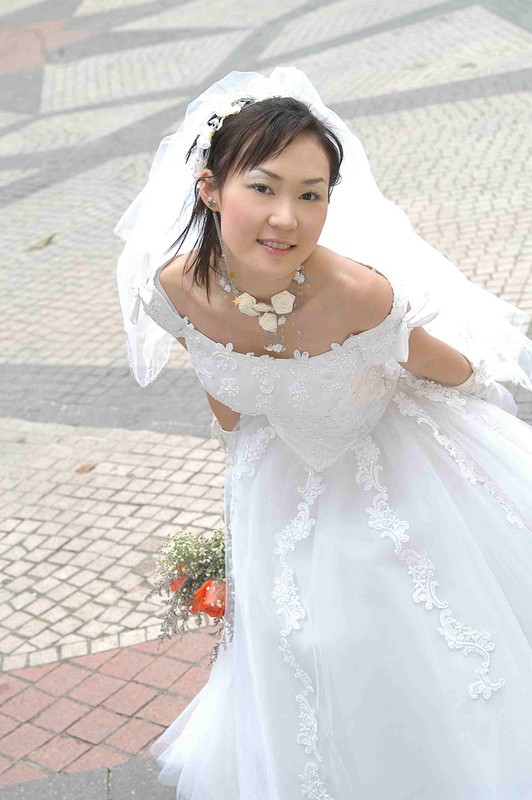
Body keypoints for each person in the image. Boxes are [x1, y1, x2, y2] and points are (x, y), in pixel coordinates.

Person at [115, 67, 532, 799]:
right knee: (293, 645)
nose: (287, 218)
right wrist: (244, 480)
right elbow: (222, 393)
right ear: (210, 188)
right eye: (264, 188)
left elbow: (453, 371)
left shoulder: (356, 292)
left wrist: (483, 391)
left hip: (389, 463)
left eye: (312, 195)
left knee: (397, 636)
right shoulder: (173, 291)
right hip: (274, 477)